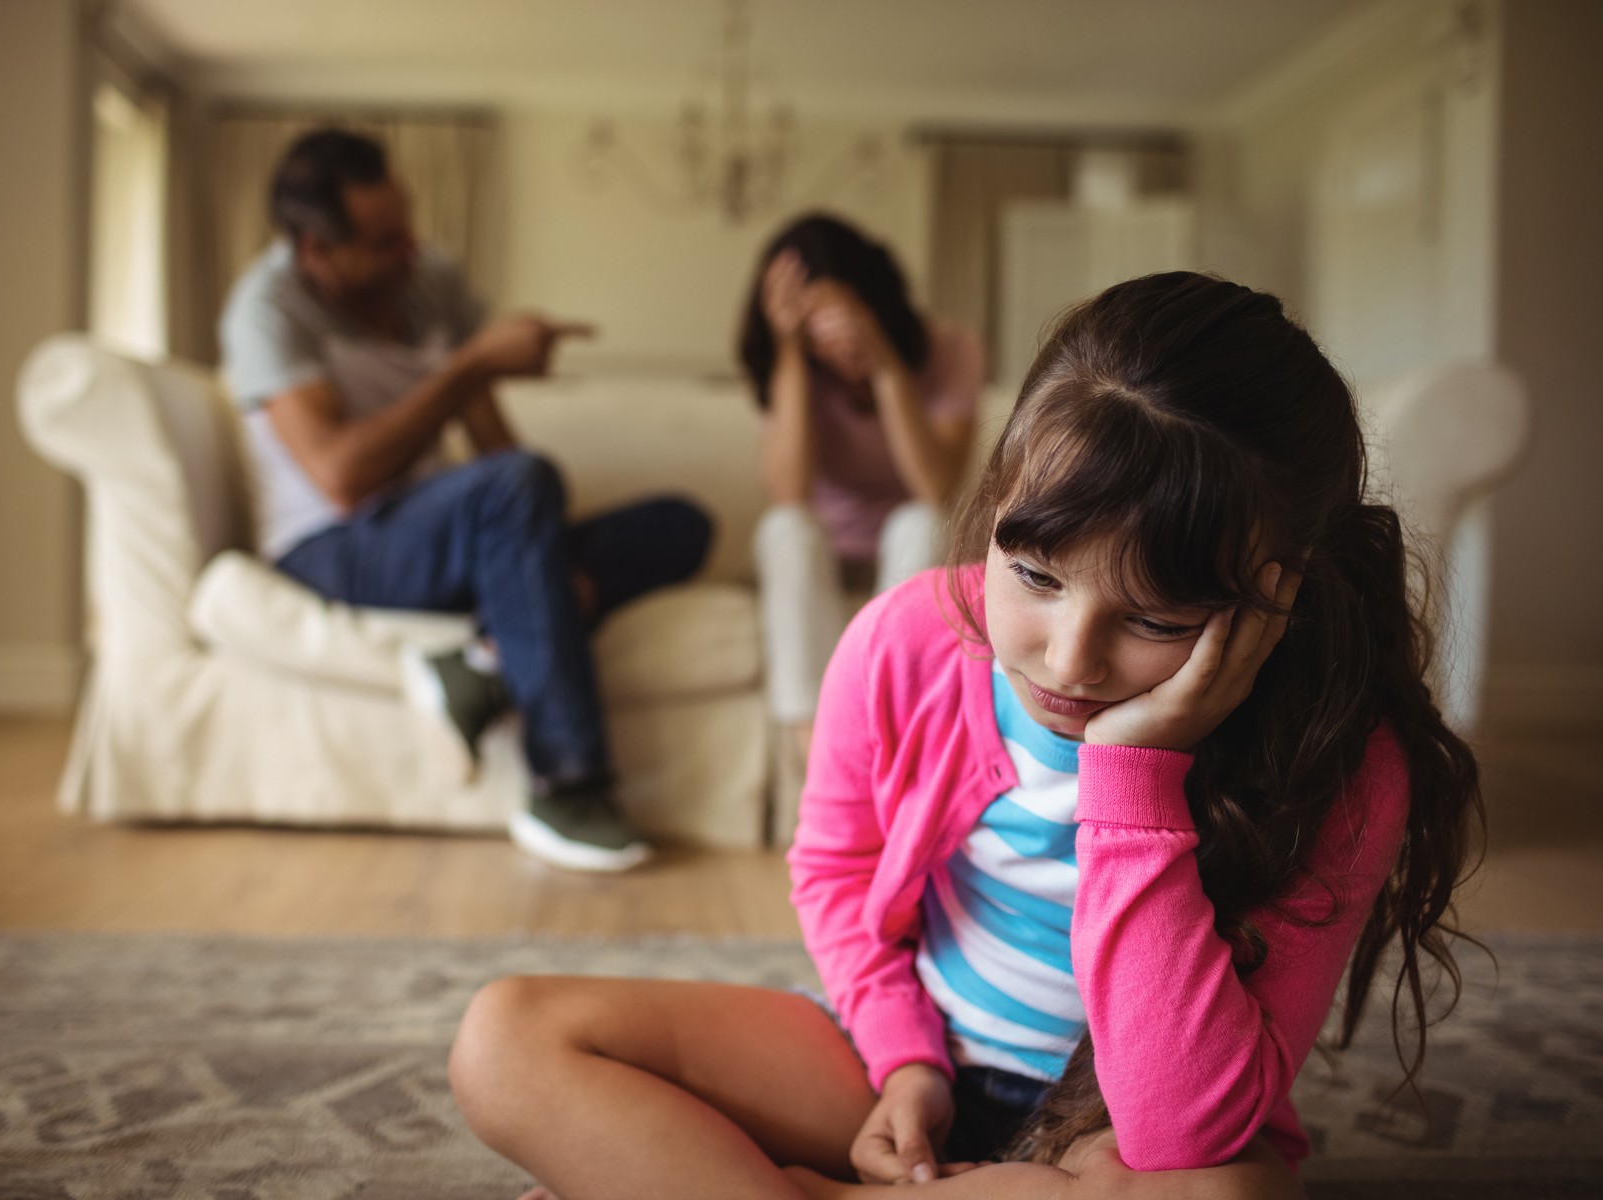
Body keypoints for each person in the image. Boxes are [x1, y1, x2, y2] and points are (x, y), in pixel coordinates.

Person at [447, 272, 1482, 1198]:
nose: (1071, 660)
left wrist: (1132, 775)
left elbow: (1187, 1126)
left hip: (1114, 1129)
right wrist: (905, 1061)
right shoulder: (906, 640)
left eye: (1156, 620)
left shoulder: (1343, 759)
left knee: (1226, 1197)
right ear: (995, 504)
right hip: (899, 1055)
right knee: (508, 1040)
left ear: (1272, 599)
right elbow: (836, 872)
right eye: (1035, 576)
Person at [219, 128, 713, 873]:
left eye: (408, 227)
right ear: (317, 249)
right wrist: (470, 367)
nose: (410, 251)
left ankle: (479, 661)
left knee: (680, 524)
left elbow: (498, 451)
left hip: (436, 530)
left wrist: (536, 559)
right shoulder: (268, 309)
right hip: (330, 546)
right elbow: (340, 478)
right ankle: (567, 786)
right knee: (518, 488)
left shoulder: (430, 282)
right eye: (384, 243)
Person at [739, 214, 981, 759]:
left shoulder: (951, 348)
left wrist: (881, 360)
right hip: (826, 552)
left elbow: (935, 484)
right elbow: (788, 492)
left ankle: (885, 728)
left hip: (913, 550)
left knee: (920, 519)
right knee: (786, 528)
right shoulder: (786, 364)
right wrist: (791, 353)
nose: (834, 339)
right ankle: (821, 754)